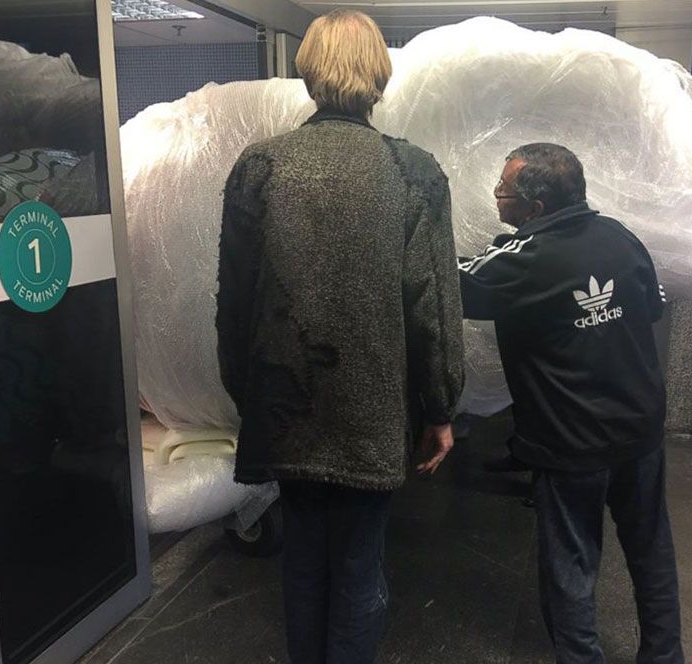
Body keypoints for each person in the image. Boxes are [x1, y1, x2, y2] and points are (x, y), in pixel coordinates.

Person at [215, 10, 464, 664]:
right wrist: (440, 409)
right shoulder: (413, 172)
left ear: (308, 71)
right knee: (359, 566)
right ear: (377, 73)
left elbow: (233, 302)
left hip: (285, 405)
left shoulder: (258, 167)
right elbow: (432, 306)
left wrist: (250, 398)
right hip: (371, 410)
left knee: (301, 562)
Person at [459, 143, 684, 663]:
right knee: (651, 554)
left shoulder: (524, 258)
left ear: (534, 208)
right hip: (639, 431)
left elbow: (447, 281)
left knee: (571, 570)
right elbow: (650, 308)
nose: (496, 196)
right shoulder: (621, 239)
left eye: (502, 190)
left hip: (571, 441)